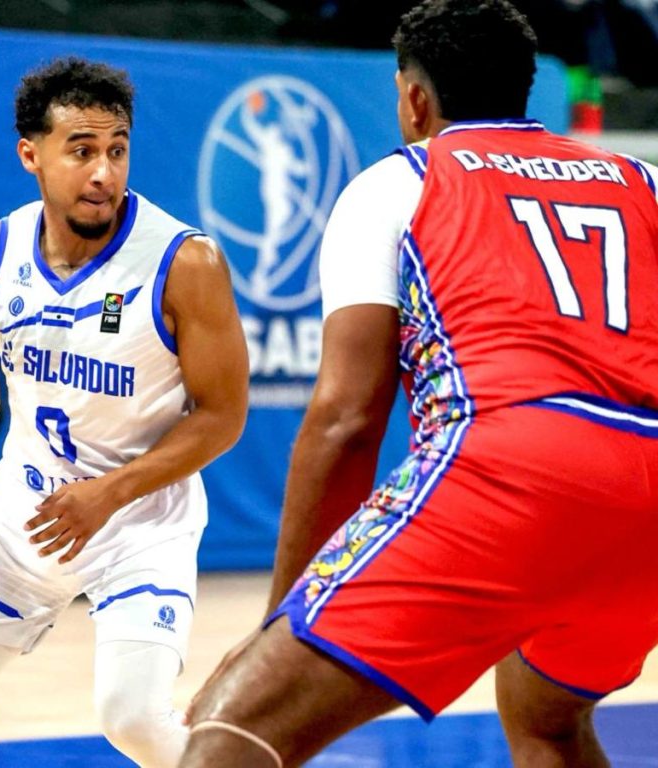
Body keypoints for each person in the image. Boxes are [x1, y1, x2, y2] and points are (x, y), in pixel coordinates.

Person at [179, 2, 658, 767]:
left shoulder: (402, 179)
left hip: (512, 470)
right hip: (648, 498)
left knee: (233, 731)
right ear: (524, 91)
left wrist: (283, 621)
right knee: (547, 722)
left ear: (413, 99)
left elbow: (347, 416)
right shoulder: (642, 180)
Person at [0, 57, 249, 767]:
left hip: (138, 523)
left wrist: (109, 494)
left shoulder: (186, 262)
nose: (104, 172)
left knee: (135, 721)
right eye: (82, 150)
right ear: (31, 153)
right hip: (23, 516)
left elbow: (222, 416)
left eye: (117, 149)